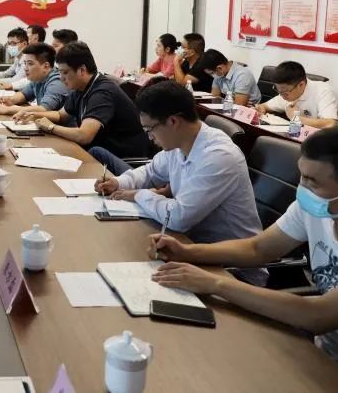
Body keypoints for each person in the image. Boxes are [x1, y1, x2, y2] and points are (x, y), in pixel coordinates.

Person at [150, 126, 338, 391]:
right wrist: (188, 252)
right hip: (322, 353)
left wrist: (215, 283)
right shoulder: (323, 205)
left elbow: (320, 315)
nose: (302, 188)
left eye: (312, 181)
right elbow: (259, 249)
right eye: (301, 176)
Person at [94, 81, 266, 284]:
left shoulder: (218, 156)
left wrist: (140, 195)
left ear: (173, 121)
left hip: (232, 270)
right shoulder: (179, 143)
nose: (149, 137)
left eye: (150, 129)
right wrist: (119, 182)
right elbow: (151, 171)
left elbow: (178, 217)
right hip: (189, 248)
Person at [15, 42, 149, 171]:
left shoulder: (102, 92)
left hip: (120, 159)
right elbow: (61, 115)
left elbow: (84, 135)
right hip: (97, 153)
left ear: (82, 70)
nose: (61, 77)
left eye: (65, 72)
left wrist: (51, 127)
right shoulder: (80, 87)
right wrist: (34, 115)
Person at [257, 61, 338, 128]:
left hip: (332, 141)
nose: (282, 96)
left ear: (301, 85)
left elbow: (329, 124)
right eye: (278, 91)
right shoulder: (287, 93)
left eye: (285, 92)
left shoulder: (324, 91)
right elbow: (264, 106)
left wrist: (296, 118)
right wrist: (258, 110)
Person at [0, 43, 69, 117]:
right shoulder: (38, 78)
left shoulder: (57, 82)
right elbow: (24, 95)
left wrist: (9, 110)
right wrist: (10, 100)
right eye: (25, 63)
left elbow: (44, 109)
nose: (25, 68)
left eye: (30, 64)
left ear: (46, 66)